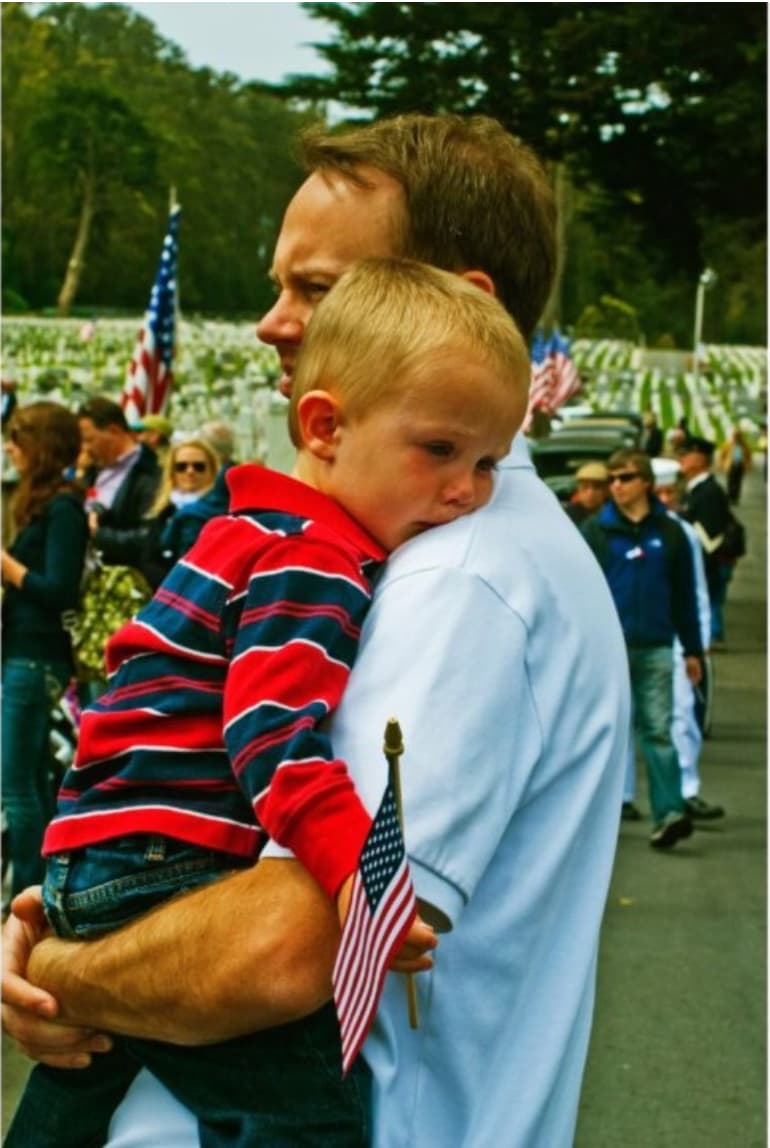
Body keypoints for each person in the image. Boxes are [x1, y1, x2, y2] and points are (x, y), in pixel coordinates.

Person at [3, 113, 630, 1148]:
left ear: (461, 303)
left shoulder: (458, 576)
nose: (269, 320)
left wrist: (62, 970)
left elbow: (283, 945)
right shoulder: (392, 540)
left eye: (318, 288)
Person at [582, 448, 703, 848]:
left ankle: (670, 812)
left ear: (646, 483)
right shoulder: (597, 531)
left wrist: (692, 651)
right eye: (612, 478)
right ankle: (601, 816)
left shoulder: (670, 532)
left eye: (625, 477)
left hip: (655, 647)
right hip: (607, 650)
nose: (616, 485)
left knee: (658, 730)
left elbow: (684, 595)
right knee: (608, 734)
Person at [1, 402, 89, 899]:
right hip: (24, 652)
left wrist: (8, 568)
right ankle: (34, 893)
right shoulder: (45, 505)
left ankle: (23, 900)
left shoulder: (64, 509)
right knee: (29, 778)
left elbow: (60, 589)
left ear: (42, 448)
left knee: (14, 783)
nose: (10, 448)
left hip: (35, 658)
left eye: (18, 438)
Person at [622, 457, 725, 823]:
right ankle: (623, 797)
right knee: (623, 721)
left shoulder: (677, 533)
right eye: (661, 492)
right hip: (627, 640)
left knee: (677, 718)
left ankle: (685, 790)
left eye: (670, 492)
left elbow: (693, 591)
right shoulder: (611, 529)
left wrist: (696, 644)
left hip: (671, 641)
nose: (665, 499)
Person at [77, 396, 161, 565]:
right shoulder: (92, 469)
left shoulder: (149, 474)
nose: (85, 448)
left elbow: (149, 538)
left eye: (89, 440)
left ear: (113, 431)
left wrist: (98, 535)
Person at [133, 436, 221, 588]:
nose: (190, 471)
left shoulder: (224, 512)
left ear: (212, 471)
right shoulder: (162, 511)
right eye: (181, 466)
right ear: (172, 473)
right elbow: (149, 559)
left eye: (198, 466)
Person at [676, 435, 733, 646]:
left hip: (710, 563)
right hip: (708, 562)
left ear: (700, 459)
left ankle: (711, 638)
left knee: (709, 602)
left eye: (686, 455)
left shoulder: (708, 491)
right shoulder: (698, 489)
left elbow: (709, 537)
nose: (681, 459)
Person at [716, 425, 752, 505]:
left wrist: (748, 465)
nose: (737, 438)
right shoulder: (728, 444)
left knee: (738, 482)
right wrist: (721, 464)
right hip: (730, 465)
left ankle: (735, 497)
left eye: (738, 436)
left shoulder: (744, 445)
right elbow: (722, 455)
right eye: (735, 436)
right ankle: (730, 497)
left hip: (740, 465)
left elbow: (749, 456)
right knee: (730, 482)